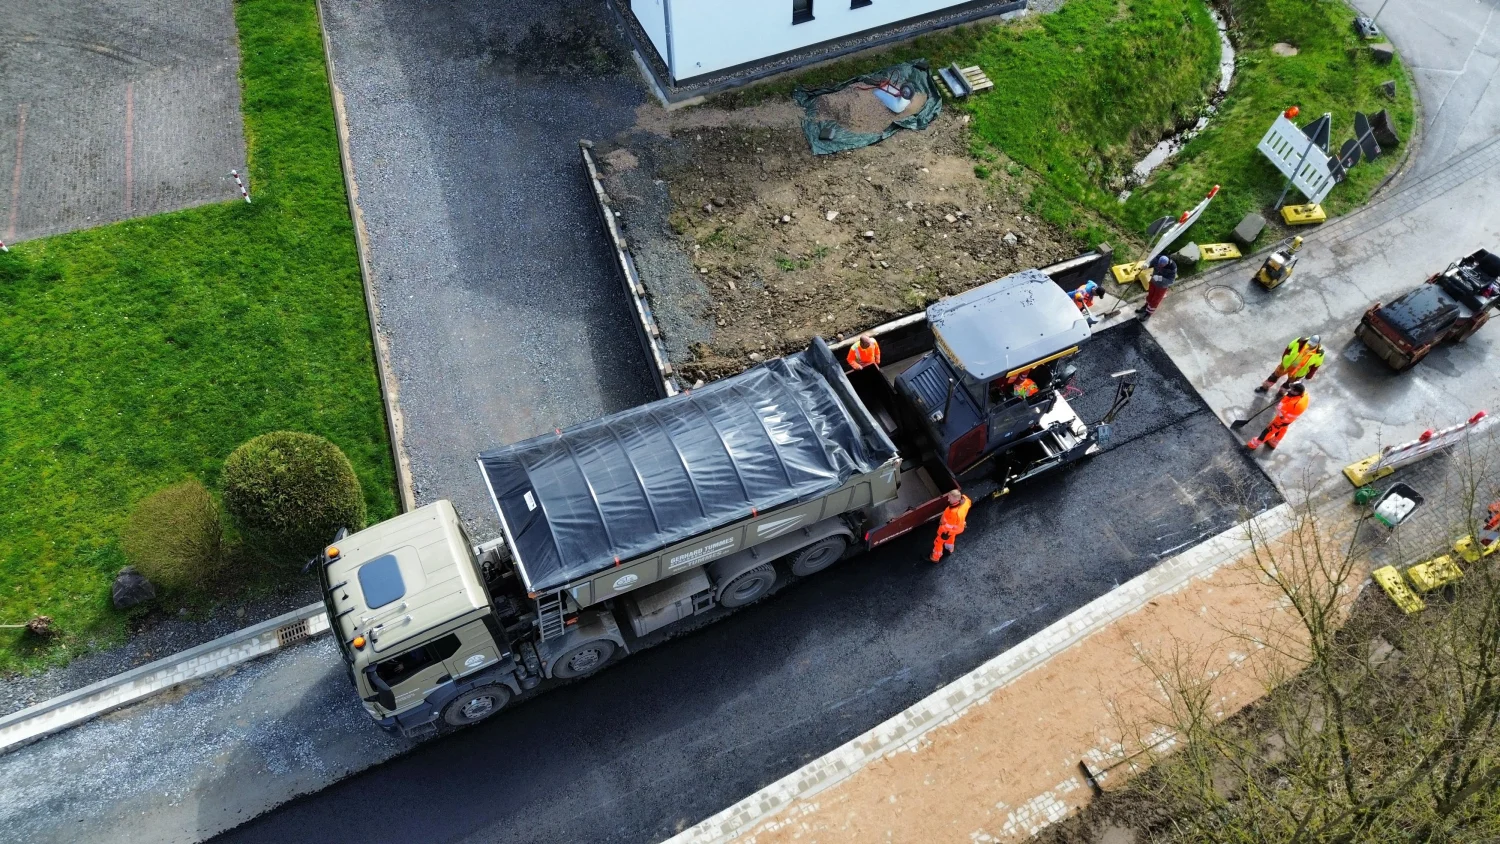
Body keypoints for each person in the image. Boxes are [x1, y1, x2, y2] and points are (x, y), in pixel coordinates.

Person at [1247, 382, 1308, 451]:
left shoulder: (1292, 404)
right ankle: (1273, 442)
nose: (1290, 390)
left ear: (1296, 392)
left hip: (1282, 418)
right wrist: (1291, 395)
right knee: (1282, 428)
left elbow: (1279, 407)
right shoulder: (1305, 395)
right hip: (1289, 419)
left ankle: (1253, 445)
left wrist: (1288, 396)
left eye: (1292, 390)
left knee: (1268, 431)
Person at [1257, 335, 1324, 394]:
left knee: (1289, 384)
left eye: (1312, 345)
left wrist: (1309, 376)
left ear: (1317, 344)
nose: (1310, 345)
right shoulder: (1300, 341)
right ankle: (1264, 387)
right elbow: (1288, 348)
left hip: (1298, 372)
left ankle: (1281, 393)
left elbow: (1315, 366)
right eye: (1310, 343)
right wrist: (1284, 359)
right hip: (1286, 365)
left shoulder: (1319, 354)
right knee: (1274, 376)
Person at [931, 489, 973, 563]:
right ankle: (949, 549)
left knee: (938, 542)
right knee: (951, 537)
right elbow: (968, 505)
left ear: (956, 499)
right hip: (958, 527)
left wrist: (941, 532)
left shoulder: (953, 513)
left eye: (950, 498)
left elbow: (948, 527)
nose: (948, 499)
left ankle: (935, 557)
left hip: (949, 530)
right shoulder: (965, 499)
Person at [1138, 255, 1177, 320]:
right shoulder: (1157, 258)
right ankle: (1146, 306)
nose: (1159, 266)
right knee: (1150, 295)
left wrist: (1160, 278)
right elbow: (1151, 262)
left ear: (1166, 264)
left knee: (1156, 299)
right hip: (1153, 282)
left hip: (1161, 286)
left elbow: (1171, 281)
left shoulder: (1172, 268)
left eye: (1162, 265)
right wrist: (1147, 265)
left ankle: (1149, 313)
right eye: (1159, 264)